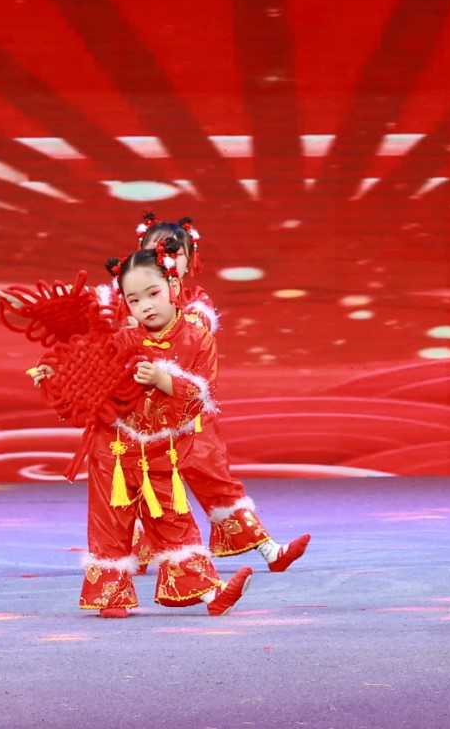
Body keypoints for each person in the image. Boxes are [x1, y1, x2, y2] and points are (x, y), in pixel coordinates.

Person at [48, 243, 252, 617]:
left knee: (173, 521)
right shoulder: (122, 340)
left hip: (162, 451)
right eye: (134, 300)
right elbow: (87, 379)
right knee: (110, 523)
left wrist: (164, 380)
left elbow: (201, 400)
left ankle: (211, 595)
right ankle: (110, 599)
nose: (145, 305)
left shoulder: (198, 339)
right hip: (113, 450)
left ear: (173, 286)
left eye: (153, 293)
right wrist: (56, 376)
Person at [133, 216, 309, 573]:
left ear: (189, 260)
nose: (165, 257)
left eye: (174, 252)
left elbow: (188, 339)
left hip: (190, 412)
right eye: (156, 250)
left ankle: (270, 551)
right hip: (141, 414)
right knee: (144, 486)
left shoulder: (196, 302)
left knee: (216, 480)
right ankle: (135, 556)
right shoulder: (126, 299)